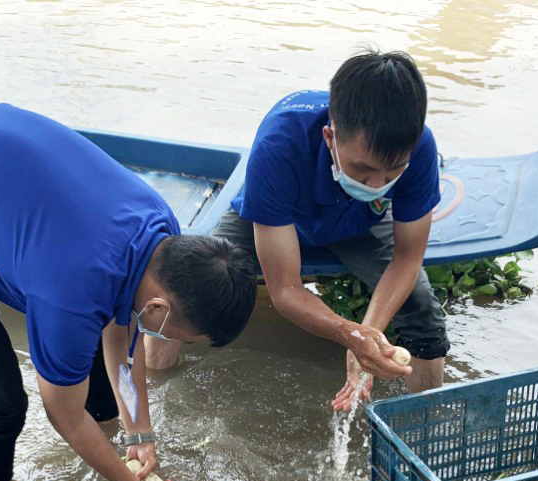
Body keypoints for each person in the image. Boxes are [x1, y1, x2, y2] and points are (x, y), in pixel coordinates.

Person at [0, 102, 257, 481]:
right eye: (180, 337)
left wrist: (139, 433)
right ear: (159, 309)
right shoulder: (70, 295)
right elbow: (63, 416)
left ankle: (109, 436)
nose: (165, 337)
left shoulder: (163, 232)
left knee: (100, 386)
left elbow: (122, 337)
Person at [147, 50, 446, 412]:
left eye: (392, 172)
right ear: (330, 137)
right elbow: (285, 288)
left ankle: (425, 417)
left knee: (423, 312)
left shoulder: (420, 148)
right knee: (190, 288)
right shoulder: (280, 143)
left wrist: (369, 336)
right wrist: (348, 334)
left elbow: (407, 257)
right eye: (363, 170)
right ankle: (157, 391)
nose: (377, 183)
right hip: (269, 218)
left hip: (361, 221)